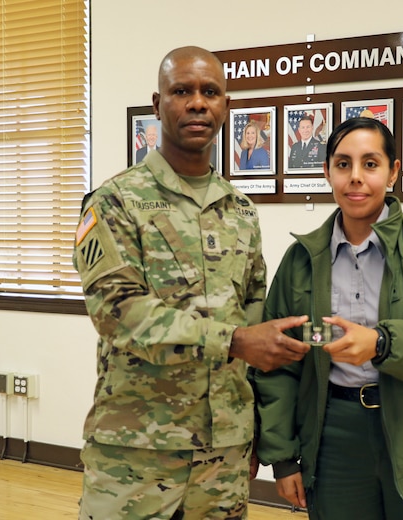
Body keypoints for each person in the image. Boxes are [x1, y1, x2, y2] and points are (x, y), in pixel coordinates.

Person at [73, 46, 311, 520]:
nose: (197, 103)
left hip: (224, 454)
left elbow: (255, 312)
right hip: (136, 455)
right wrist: (236, 341)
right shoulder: (117, 201)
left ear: (227, 106)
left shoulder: (240, 210)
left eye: (210, 92)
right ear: (157, 104)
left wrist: (255, 436)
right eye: (181, 91)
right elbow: (119, 315)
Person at [254, 117, 403, 520]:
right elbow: (277, 366)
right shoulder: (301, 262)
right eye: (343, 164)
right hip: (335, 442)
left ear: (393, 171)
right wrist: (284, 458)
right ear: (327, 171)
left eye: (370, 163)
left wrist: (382, 344)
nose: (356, 178)